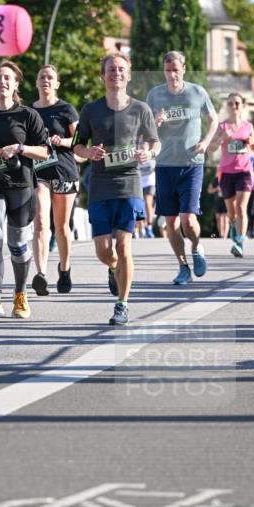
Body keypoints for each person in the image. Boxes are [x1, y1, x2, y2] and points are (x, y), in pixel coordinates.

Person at [74, 52, 159, 326]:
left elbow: (154, 142)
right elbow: (76, 145)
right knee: (104, 251)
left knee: (124, 246)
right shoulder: (90, 110)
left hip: (129, 183)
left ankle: (122, 304)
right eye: (111, 69)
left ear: (129, 75)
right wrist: (89, 152)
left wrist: (149, 154)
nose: (116, 73)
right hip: (99, 184)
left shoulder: (141, 109)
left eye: (121, 69)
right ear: (103, 76)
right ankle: (113, 269)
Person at [0, 60, 49, 320]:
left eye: (7, 78)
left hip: (21, 187)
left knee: (17, 245)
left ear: (15, 84)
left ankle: (20, 294)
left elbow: (46, 151)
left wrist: (20, 148)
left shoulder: (28, 115)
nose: (1, 82)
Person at [145, 51, 218, 285]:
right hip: (165, 164)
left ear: (184, 69)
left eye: (176, 70)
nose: (172, 74)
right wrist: (154, 123)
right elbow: (145, 130)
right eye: (168, 70)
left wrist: (206, 142)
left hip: (191, 164)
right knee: (171, 223)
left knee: (188, 219)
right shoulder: (154, 95)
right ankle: (182, 266)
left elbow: (214, 119)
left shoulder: (197, 92)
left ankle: (196, 247)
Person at [30, 65, 80, 295]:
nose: (46, 80)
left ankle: (65, 268)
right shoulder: (29, 111)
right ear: (37, 83)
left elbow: (81, 142)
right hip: (39, 171)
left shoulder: (66, 109)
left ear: (57, 83)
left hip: (64, 170)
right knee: (40, 221)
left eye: (50, 77)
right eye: (42, 77)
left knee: (61, 226)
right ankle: (40, 274)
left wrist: (63, 142)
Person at [207, 92, 254, 257]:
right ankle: (233, 227)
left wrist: (252, 143)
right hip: (226, 173)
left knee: (241, 207)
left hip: (244, 171)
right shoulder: (222, 126)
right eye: (230, 103)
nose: (234, 106)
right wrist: (222, 137)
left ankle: (239, 242)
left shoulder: (248, 126)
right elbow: (211, 148)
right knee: (231, 212)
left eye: (237, 103)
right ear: (227, 107)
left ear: (242, 106)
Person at [207, 173, 229, 238]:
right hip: (218, 202)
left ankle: (225, 235)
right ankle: (221, 234)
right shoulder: (215, 180)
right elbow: (209, 190)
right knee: (219, 218)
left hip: (226, 200)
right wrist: (216, 189)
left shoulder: (228, 179)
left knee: (225, 218)